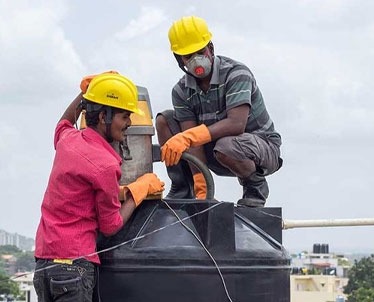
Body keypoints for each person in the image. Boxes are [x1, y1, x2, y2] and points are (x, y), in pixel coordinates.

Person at [33, 72, 165, 302]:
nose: (129, 124)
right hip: (74, 269)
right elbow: (110, 225)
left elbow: (63, 122)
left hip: (44, 264)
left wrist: (85, 92)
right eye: (124, 116)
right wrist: (138, 191)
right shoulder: (105, 164)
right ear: (104, 115)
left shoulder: (68, 140)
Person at [156, 16, 282, 207]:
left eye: (200, 51)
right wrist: (203, 191)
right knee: (165, 120)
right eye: (188, 56)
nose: (196, 59)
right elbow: (193, 143)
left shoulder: (236, 73)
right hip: (216, 150)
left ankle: (254, 186)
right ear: (180, 60)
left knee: (225, 145)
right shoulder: (181, 91)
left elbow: (236, 124)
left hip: (259, 149)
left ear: (211, 48)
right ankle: (185, 189)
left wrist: (189, 137)